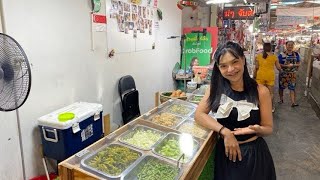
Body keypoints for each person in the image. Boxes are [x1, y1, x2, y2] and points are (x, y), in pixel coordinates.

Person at [195, 41, 275, 180]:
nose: (230, 69)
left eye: (235, 62)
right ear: (218, 69)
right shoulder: (216, 89)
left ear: (243, 60)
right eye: (224, 66)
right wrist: (225, 132)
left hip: (254, 156)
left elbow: (268, 128)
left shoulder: (261, 91)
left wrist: (257, 129)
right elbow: (199, 114)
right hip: (226, 154)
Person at [254, 42, 282, 112]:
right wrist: (281, 70)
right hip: (270, 76)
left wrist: (254, 76)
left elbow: (256, 67)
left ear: (263, 48)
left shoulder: (258, 56)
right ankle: (271, 107)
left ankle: (259, 106)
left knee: (259, 92)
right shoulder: (274, 56)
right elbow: (278, 67)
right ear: (271, 48)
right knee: (271, 93)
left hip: (260, 76)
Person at [278, 41, 300, 107]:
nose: (290, 46)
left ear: (293, 46)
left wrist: (294, 65)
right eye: (289, 45)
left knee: (292, 88)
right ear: (286, 45)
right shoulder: (281, 55)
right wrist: (286, 66)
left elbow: (299, 63)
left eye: (291, 45)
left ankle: (293, 102)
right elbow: (278, 64)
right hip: (283, 74)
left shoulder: (296, 54)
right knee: (281, 87)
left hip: (292, 74)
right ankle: (281, 99)